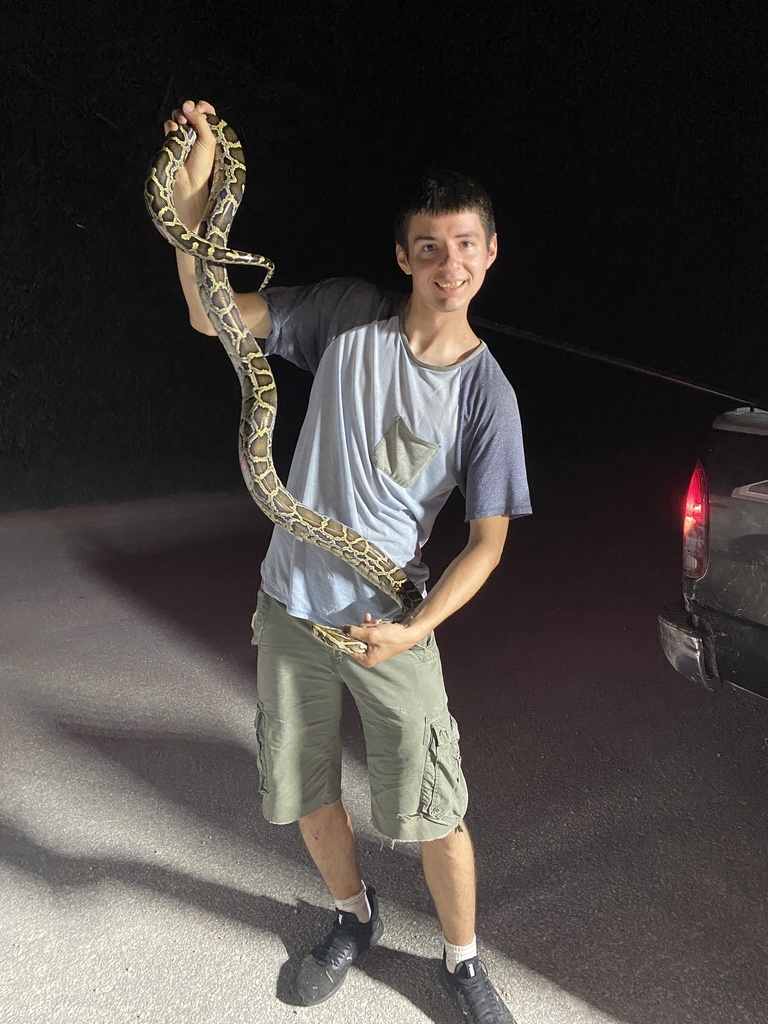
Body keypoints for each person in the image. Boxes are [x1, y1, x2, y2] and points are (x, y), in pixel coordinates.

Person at [166, 98, 531, 1024]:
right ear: (404, 255)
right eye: (430, 247)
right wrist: (191, 204)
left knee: (436, 811)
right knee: (304, 788)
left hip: (392, 623)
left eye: (466, 246)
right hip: (290, 608)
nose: (450, 264)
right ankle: (351, 915)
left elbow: (486, 544)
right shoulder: (344, 317)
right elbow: (216, 320)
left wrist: (413, 629)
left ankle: (460, 961)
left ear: (489, 253)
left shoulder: (488, 396)